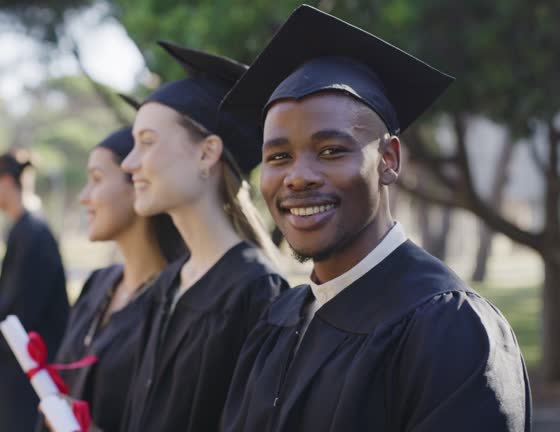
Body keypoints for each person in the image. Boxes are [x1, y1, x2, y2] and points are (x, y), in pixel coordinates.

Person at [219, 5, 531, 431]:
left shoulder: (449, 328)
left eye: (331, 150)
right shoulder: (279, 319)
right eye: (278, 157)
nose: (298, 177)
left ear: (388, 160)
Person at [119, 42, 289, 432]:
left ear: (207, 153)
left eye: (146, 142)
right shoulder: (168, 283)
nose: (129, 163)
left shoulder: (255, 289)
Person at [44, 126, 185, 432]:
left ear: (138, 182)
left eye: (96, 180)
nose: (84, 197)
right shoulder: (97, 285)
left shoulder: (177, 303)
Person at [0, 152, 70, 432]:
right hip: (17, 366)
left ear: (7, 182)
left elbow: (22, 305)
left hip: (27, 367)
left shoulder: (34, 233)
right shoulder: (25, 229)